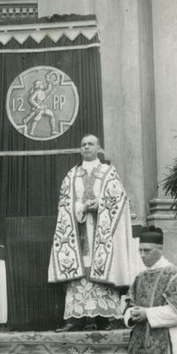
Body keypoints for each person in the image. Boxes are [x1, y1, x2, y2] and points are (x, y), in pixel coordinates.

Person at [48, 134, 140, 331]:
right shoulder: (71, 175)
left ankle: (104, 319)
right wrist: (80, 208)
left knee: (101, 269)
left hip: (102, 232)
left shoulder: (109, 173)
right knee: (80, 271)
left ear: (99, 148)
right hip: (80, 231)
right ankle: (76, 320)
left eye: (91, 144)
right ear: (80, 149)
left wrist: (100, 205)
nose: (86, 147)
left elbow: (119, 200)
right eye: (83, 145)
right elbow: (64, 204)